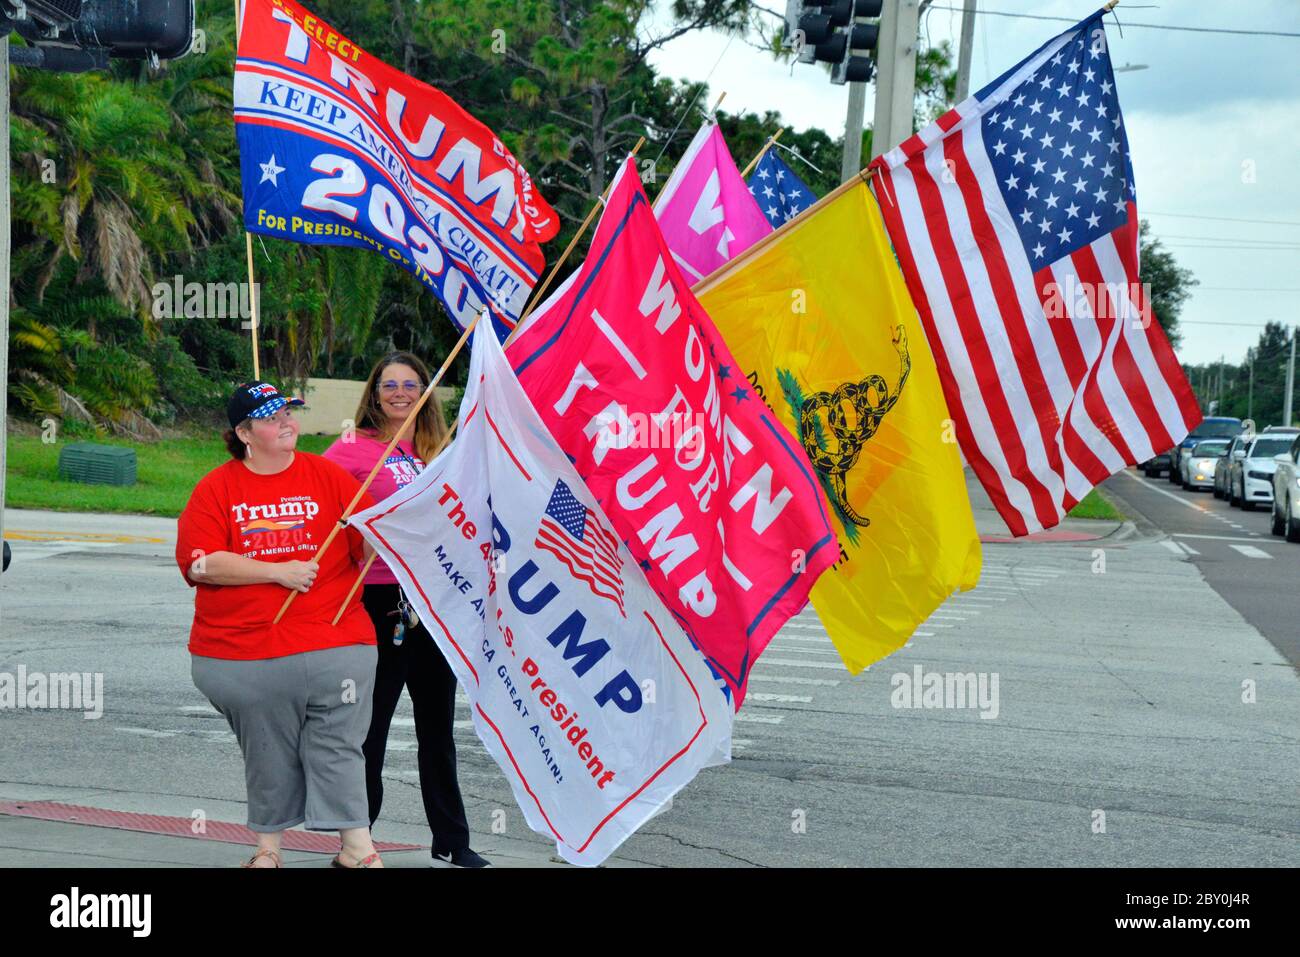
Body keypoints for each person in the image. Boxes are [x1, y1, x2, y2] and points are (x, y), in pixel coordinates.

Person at [177, 381, 383, 868]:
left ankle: (358, 847)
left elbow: (365, 543)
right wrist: (276, 571)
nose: (287, 422)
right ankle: (268, 848)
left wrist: (382, 530)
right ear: (244, 433)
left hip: (335, 637)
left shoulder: (327, 475)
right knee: (267, 747)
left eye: (289, 413)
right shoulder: (217, 488)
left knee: (340, 746)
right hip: (244, 649)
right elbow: (199, 564)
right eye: (272, 418)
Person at [324, 352, 489, 868]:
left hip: (434, 601)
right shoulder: (354, 448)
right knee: (370, 730)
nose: (399, 393)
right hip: (378, 601)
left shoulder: (444, 450)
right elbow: (320, 503)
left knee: (437, 730)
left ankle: (452, 841)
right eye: (388, 385)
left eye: (410, 385)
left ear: (426, 392)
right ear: (374, 394)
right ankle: (360, 841)